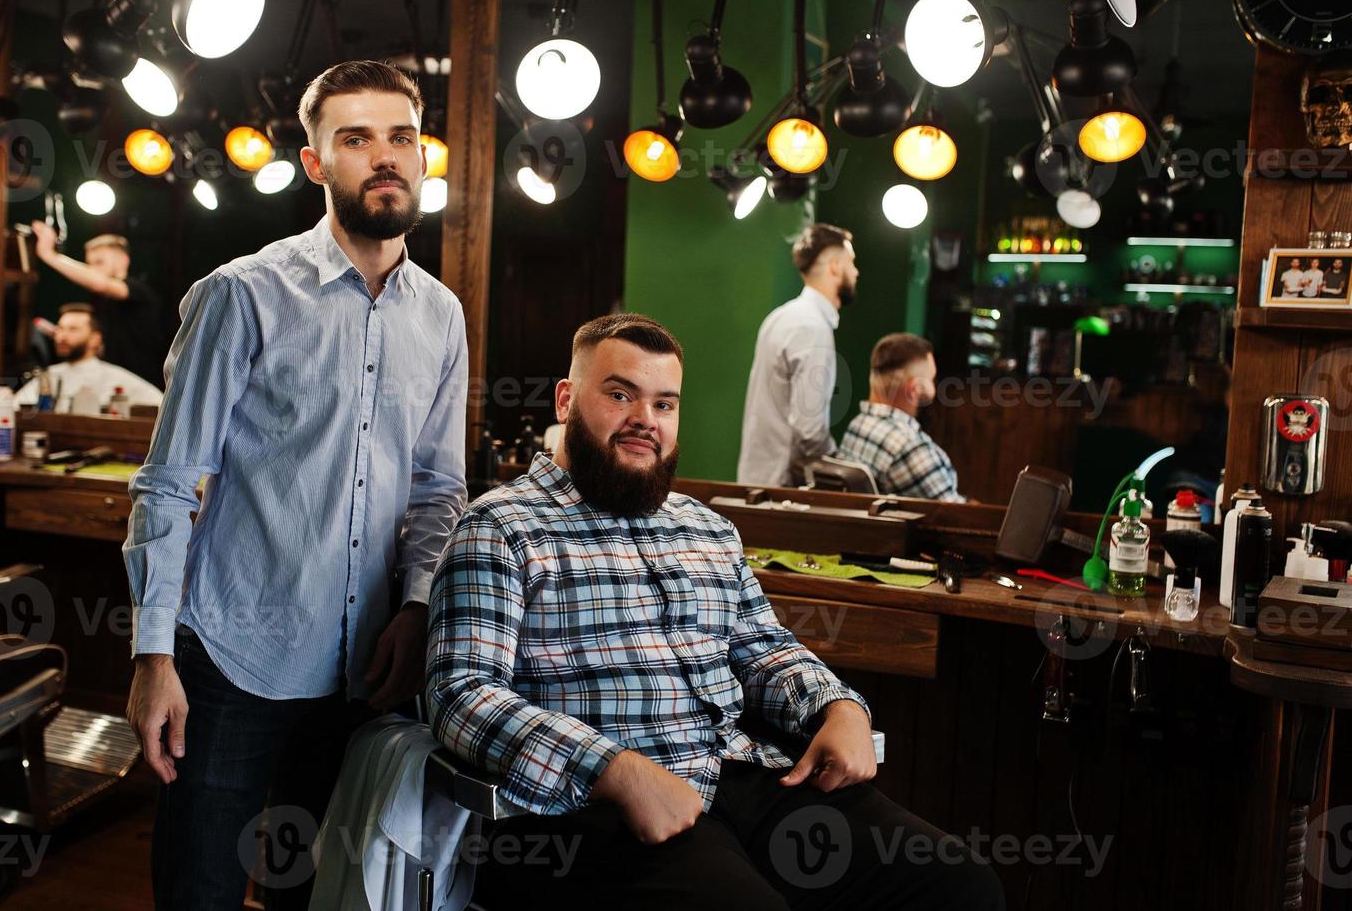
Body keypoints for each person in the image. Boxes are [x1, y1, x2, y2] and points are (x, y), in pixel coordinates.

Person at [427, 313, 1003, 910]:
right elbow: (461, 694)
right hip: (598, 807)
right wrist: (614, 769)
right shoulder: (501, 528)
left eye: (664, 404)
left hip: (744, 773)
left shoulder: (706, 528)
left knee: (958, 884)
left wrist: (838, 705)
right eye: (620, 394)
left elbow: (764, 651)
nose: (644, 421)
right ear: (567, 401)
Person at [123, 60, 468, 910]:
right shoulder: (242, 295)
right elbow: (167, 485)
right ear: (316, 164)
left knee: (318, 897)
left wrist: (419, 608)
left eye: (400, 138)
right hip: (231, 660)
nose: (383, 157)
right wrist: (151, 655)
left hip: (362, 673)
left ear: (422, 158)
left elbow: (437, 491)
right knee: (198, 892)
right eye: (355, 139)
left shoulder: (441, 315)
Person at [737, 223, 858, 486]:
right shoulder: (812, 326)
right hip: (783, 490)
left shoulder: (781, 316)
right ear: (835, 266)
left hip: (756, 479)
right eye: (852, 262)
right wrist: (837, 459)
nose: (856, 272)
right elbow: (809, 430)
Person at [30, 223, 169, 386]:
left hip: (143, 388)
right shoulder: (106, 303)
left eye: (99, 262)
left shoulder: (138, 291)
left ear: (123, 260)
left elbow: (100, 284)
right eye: (90, 264)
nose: (93, 270)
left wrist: (48, 255)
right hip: (113, 385)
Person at [836, 333, 965, 502]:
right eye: (931, 379)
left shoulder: (857, 425)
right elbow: (954, 515)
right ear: (914, 389)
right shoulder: (910, 448)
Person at [15, 303, 162, 414]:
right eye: (60, 329)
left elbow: (161, 404)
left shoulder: (117, 377)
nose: (62, 337)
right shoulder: (49, 375)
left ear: (95, 339)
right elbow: (14, 406)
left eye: (73, 329)